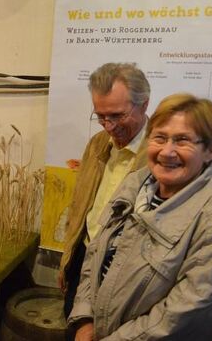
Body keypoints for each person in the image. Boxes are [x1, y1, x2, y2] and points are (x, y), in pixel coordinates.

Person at [68, 94, 212, 340]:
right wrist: (85, 320)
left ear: (210, 150)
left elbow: (189, 314)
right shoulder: (137, 182)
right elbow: (96, 251)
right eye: (160, 137)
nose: (167, 151)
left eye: (183, 140)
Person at [58, 63, 151, 333]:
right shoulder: (98, 143)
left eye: (117, 116)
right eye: (101, 116)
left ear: (144, 104)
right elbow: (80, 205)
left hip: (123, 272)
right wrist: (68, 260)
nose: (109, 126)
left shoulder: (158, 156)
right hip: (84, 259)